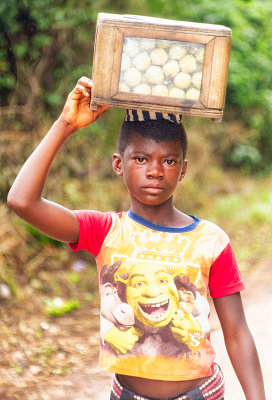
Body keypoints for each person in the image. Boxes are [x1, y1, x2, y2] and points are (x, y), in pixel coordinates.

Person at [7, 76, 266, 400]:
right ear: (119, 164)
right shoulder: (104, 230)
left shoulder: (211, 240)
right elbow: (22, 201)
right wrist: (65, 124)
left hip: (201, 394)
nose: (155, 171)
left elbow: (238, 333)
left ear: (182, 169)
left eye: (168, 161)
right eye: (141, 159)